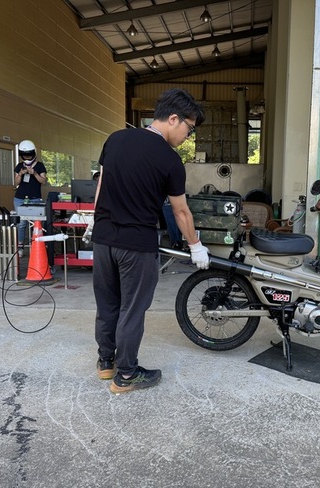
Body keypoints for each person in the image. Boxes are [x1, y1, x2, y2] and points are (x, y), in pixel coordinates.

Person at [92, 88, 209, 394]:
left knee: (108, 306)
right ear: (173, 118)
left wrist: (96, 223)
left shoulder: (114, 139)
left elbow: (101, 185)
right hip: (137, 246)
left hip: (103, 240)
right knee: (132, 309)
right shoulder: (170, 161)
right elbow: (181, 211)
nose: (188, 136)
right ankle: (127, 374)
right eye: (189, 128)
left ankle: (106, 363)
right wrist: (195, 246)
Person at [14, 140, 47, 256]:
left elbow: (43, 181)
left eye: (29, 154)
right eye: (25, 155)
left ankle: (36, 245)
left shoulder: (40, 165)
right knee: (21, 223)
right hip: (20, 198)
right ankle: (20, 246)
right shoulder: (19, 166)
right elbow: (16, 182)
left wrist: (34, 173)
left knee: (36, 223)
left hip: (35, 198)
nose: (27, 157)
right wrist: (20, 174)